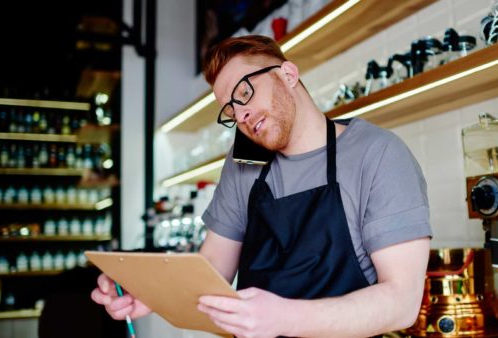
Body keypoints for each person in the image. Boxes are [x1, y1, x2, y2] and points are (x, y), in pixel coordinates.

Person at [91, 35, 432, 338]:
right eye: (230, 108)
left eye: (244, 92)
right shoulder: (243, 165)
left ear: (288, 75)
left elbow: (401, 303)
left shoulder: (377, 153)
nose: (240, 115)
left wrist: (284, 318)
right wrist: (149, 292)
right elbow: (211, 272)